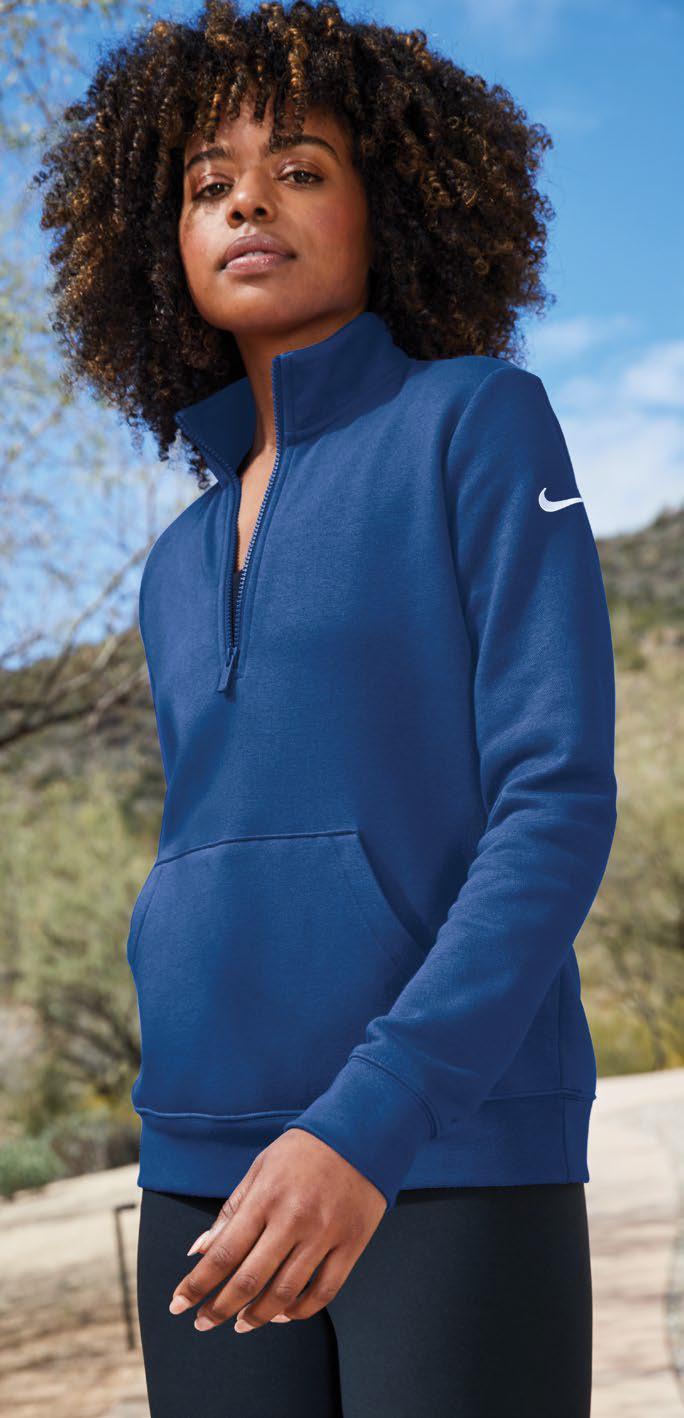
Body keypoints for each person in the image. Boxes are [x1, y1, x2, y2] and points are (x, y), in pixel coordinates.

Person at [34, 3, 617, 1414]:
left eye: (299, 168)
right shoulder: (173, 562)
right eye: (208, 183)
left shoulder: (479, 424)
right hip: (198, 1161)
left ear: (391, 207)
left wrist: (374, 1116)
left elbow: (553, 801)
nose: (248, 200)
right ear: (163, 243)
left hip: (448, 1141)